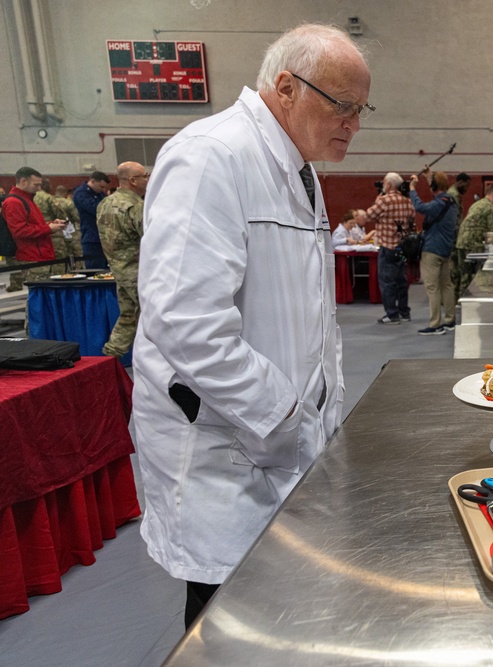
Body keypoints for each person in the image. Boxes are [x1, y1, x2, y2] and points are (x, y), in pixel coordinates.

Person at [131, 23, 370, 629]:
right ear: (286, 87)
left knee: (282, 608)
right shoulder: (212, 155)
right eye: (342, 105)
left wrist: (319, 411)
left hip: (284, 441)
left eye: (361, 110)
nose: (354, 124)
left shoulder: (298, 169)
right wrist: (283, 412)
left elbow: (305, 311)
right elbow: (185, 322)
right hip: (225, 448)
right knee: (226, 623)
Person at [96, 161, 149, 359]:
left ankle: (109, 358)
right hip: (140, 274)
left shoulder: (105, 203)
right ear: (133, 180)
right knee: (152, 318)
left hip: (119, 271)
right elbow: (151, 239)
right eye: (145, 176)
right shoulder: (136, 206)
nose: (148, 179)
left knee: (128, 317)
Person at [408, 170, 458, 335]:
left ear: (434, 187)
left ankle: (435, 324)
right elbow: (435, 194)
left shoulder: (439, 203)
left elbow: (420, 207)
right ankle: (450, 320)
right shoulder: (451, 201)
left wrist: (412, 189)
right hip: (445, 249)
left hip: (432, 250)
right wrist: (429, 177)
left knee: (432, 287)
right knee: (447, 285)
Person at [2, 167, 66, 293]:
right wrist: (48, 228)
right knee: (38, 295)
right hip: (32, 257)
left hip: (41, 254)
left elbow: (33, 225)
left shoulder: (27, 199)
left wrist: (51, 224)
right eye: (36, 185)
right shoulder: (14, 202)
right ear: (23, 181)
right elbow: (19, 231)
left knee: (44, 295)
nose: (39, 188)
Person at [367, 172, 414, 324]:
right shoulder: (407, 201)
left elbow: (368, 216)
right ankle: (404, 312)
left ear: (388, 184)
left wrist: (376, 201)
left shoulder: (384, 200)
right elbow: (412, 219)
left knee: (387, 281)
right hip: (402, 247)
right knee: (402, 281)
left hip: (387, 246)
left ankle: (392, 314)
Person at [455, 183, 493, 299]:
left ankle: (459, 300)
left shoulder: (477, 204)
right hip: (473, 244)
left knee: (464, 275)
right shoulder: (491, 209)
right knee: (475, 275)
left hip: (461, 242)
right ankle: (470, 300)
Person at [73, 171, 110, 269]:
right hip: (91, 237)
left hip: (104, 236)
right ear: (93, 181)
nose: (103, 190)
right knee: (95, 268)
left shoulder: (100, 194)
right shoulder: (81, 193)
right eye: (101, 186)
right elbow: (96, 209)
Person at [447, 172, 471, 300]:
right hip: (453, 237)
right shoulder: (453, 196)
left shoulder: (454, 194)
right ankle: (453, 298)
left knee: (456, 269)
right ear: (461, 182)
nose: (467, 189)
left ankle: (453, 297)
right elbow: (454, 220)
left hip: (455, 236)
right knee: (455, 270)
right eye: (466, 186)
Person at [54, 185, 83, 264]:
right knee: (76, 253)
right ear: (65, 193)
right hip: (70, 231)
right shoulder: (68, 203)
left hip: (55, 233)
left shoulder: (51, 201)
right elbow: (77, 217)